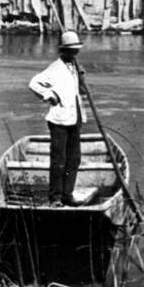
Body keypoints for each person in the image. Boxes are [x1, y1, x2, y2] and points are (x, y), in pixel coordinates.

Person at [28, 31, 88, 206]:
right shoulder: (55, 68)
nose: (74, 54)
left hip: (76, 117)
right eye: (70, 51)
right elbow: (34, 83)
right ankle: (55, 197)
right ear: (63, 52)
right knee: (59, 160)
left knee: (74, 159)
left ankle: (67, 195)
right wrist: (48, 95)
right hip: (59, 121)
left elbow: (81, 92)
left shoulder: (75, 67)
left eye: (76, 51)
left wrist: (82, 77)